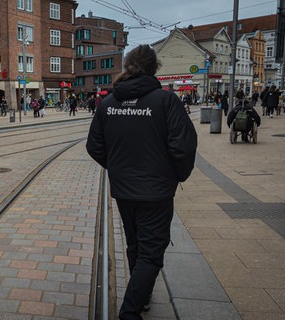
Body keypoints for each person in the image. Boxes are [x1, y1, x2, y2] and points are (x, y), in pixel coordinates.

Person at [86, 44, 197, 320]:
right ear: (154, 68)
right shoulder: (165, 101)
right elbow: (183, 147)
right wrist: (174, 175)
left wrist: (119, 168)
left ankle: (141, 294)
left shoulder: (108, 104)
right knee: (151, 253)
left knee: (136, 246)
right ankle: (130, 311)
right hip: (156, 193)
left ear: (127, 67)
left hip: (125, 191)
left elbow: (94, 146)